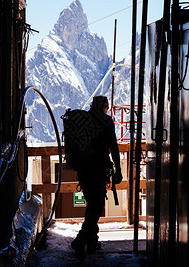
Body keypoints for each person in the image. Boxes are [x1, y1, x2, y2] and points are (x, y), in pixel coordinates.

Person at [71, 95, 122, 261]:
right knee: (97, 206)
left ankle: (92, 241)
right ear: (105, 106)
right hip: (99, 170)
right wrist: (118, 169)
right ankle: (80, 240)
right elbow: (113, 146)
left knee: (91, 204)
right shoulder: (106, 122)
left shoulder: (83, 120)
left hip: (84, 171)